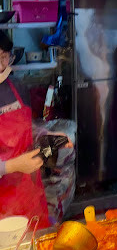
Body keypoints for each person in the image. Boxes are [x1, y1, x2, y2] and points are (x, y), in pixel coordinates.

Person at [0, 31, 71, 228]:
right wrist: (11, 166)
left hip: (28, 192)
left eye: (4, 57)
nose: (1, 66)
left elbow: (27, 129)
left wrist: (48, 135)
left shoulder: (17, 88)